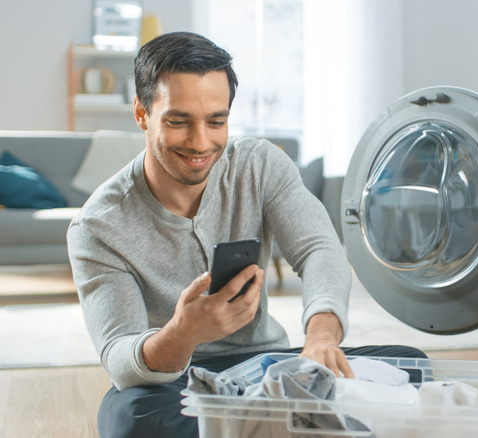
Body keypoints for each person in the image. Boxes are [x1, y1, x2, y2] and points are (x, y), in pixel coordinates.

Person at [67, 31, 425, 438]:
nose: (201, 142)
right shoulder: (97, 226)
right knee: (128, 419)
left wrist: (321, 336)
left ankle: (266, 423)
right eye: (179, 121)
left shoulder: (260, 165)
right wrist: (182, 334)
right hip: (174, 384)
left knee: (410, 364)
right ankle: (297, 425)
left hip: (269, 367)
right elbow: (119, 356)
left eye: (216, 121)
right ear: (142, 113)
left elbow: (319, 250)